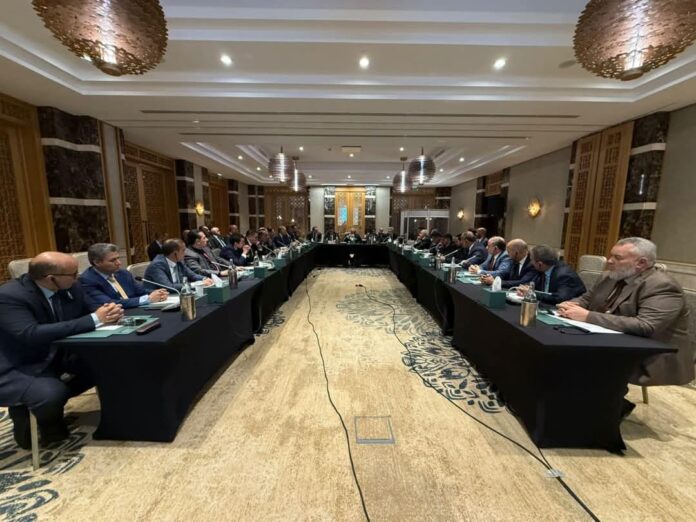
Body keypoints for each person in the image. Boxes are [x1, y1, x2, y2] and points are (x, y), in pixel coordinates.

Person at [0, 252, 123, 448]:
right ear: (51, 278)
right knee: (51, 394)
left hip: (60, 353)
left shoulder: (72, 286)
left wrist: (110, 312)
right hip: (21, 364)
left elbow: (92, 310)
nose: (78, 277)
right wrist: (94, 319)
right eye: (73, 274)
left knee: (108, 365)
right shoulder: (9, 296)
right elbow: (30, 334)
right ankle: (34, 417)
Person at [557, 237, 692, 389]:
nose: (609, 261)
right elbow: (586, 299)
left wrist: (588, 316)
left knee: (581, 360)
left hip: (650, 354)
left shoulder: (662, 285)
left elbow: (646, 326)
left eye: (617, 258)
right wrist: (572, 304)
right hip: (607, 339)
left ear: (641, 263)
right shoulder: (608, 276)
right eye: (611, 255)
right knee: (561, 350)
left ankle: (604, 400)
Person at [79, 243, 168, 309]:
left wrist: (157, 293)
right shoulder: (87, 280)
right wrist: (147, 299)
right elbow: (110, 303)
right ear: (97, 262)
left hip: (136, 310)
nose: (119, 263)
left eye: (118, 258)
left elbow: (141, 291)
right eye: (113, 260)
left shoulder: (123, 273)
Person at [517, 244, 585, 305]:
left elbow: (560, 298)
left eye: (532, 260)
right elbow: (533, 285)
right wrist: (525, 288)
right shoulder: (543, 270)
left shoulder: (564, 275)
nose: (531, 263)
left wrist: (532, 294)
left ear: (540, 264)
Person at [144, 239, 212, 292]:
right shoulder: (157, 265)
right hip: (158, 299)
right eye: (183, 250)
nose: (185, 253)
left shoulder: (179, 262)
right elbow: (168, 287)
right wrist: (197, 284)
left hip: (176, 295)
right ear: (175, 253)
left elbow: (192, 275)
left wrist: (204, 279)